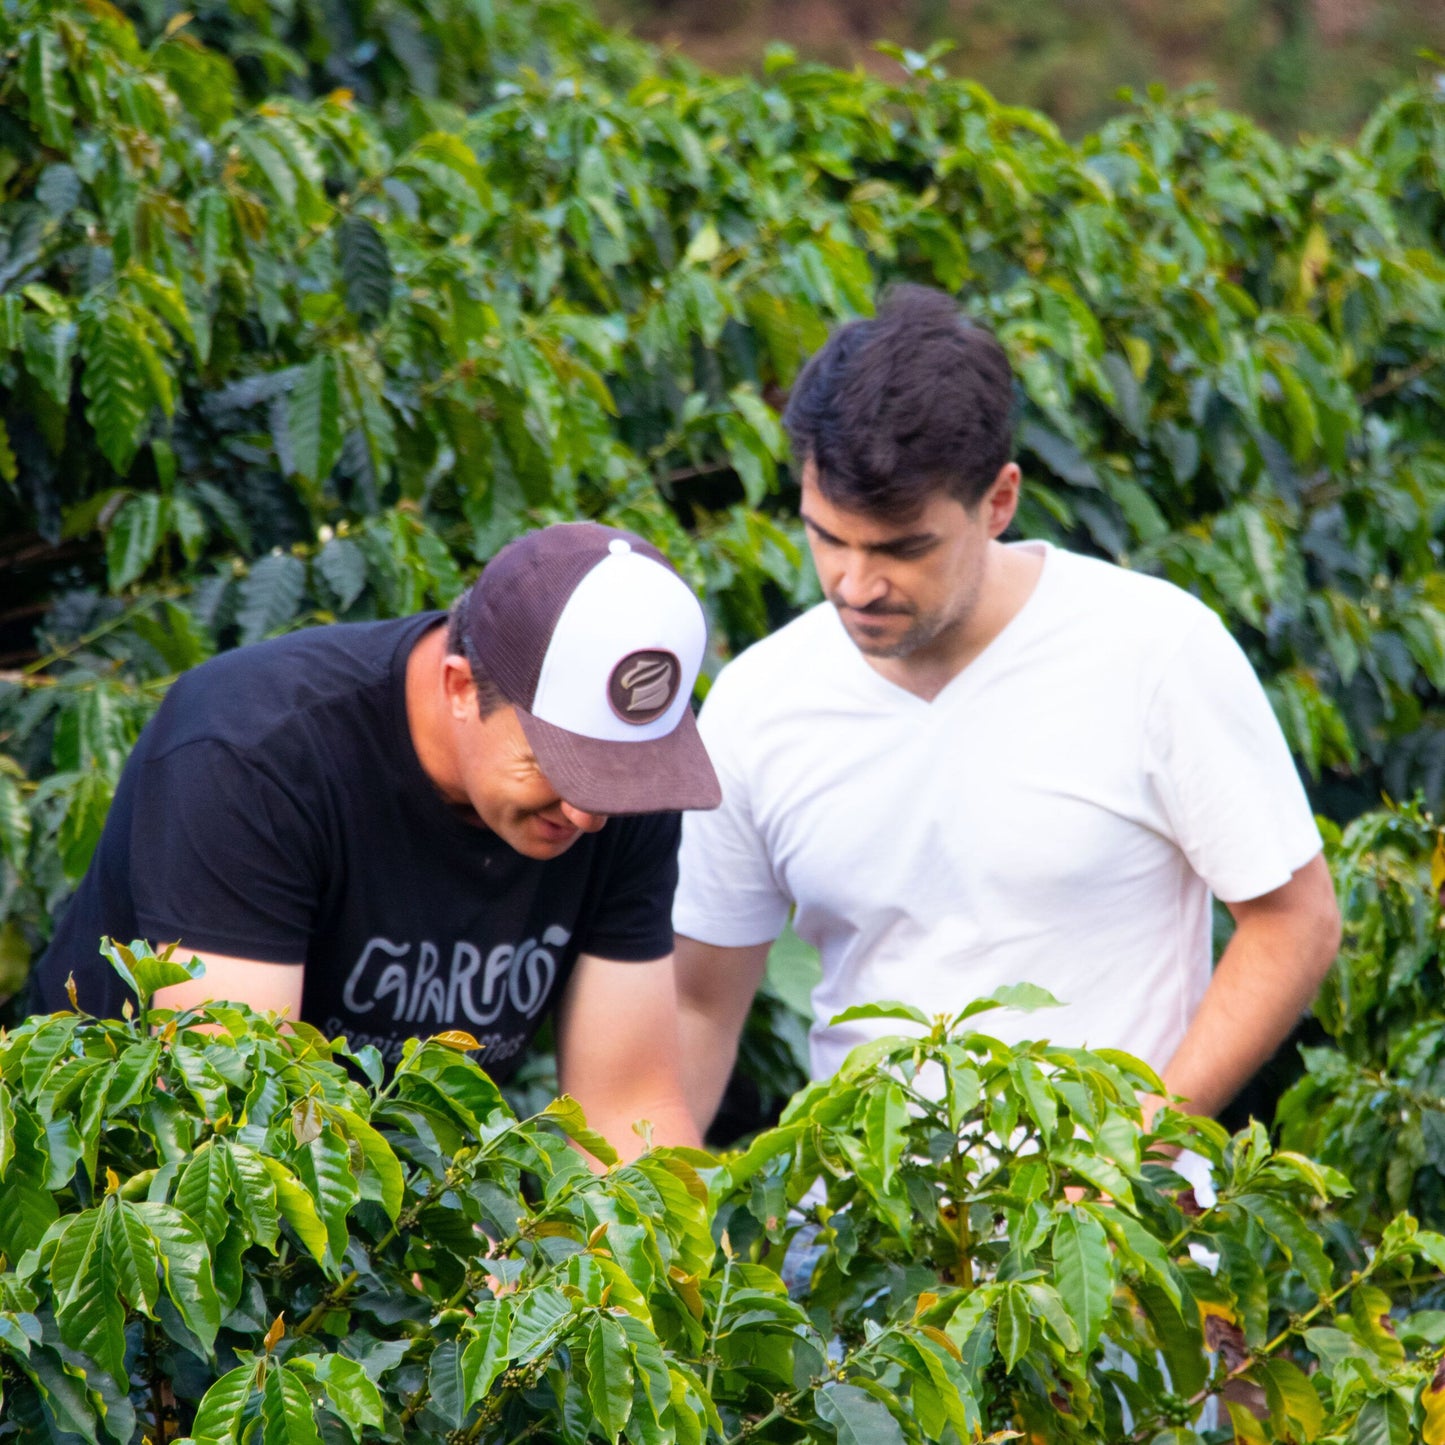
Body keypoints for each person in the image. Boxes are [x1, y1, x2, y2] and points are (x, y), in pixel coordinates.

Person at [672, 285, 1341, 1134]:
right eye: (827, 536)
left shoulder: (1153, 649)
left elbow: (1295, 921)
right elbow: (695, 1005)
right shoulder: (759, 701)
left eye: (902, 548)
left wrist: (1136, 1146)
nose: (855, 583)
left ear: (999, 500)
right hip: (855, 1246)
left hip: (1113, 1224)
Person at [33, 521, 722, 1158]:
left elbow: (628, 1107)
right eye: (558, 763)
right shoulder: (254, 753)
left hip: (419, 1192)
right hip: (121, 1179)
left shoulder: (617, 794)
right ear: (459, 687)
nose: (588, 814)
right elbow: (237, 1111)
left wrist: (677, 1281)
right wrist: (452, 1273)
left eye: (621, 775)